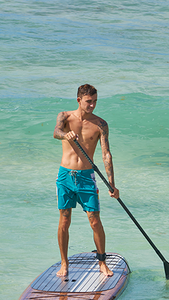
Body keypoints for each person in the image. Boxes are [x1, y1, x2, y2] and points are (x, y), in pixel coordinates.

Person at [53, 84, 119, 278]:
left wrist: (112, 183)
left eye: (95, 101)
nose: (92, 105)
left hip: (86, 177)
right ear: (79, 100)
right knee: (64, 219)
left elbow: (106, 154)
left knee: (95, 220)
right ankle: (64, 263)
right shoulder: (64, 117)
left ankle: (102, 262)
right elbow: (56, 132)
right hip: (65, 176)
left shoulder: (100, 124)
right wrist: (66, 135)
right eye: (89, 101)